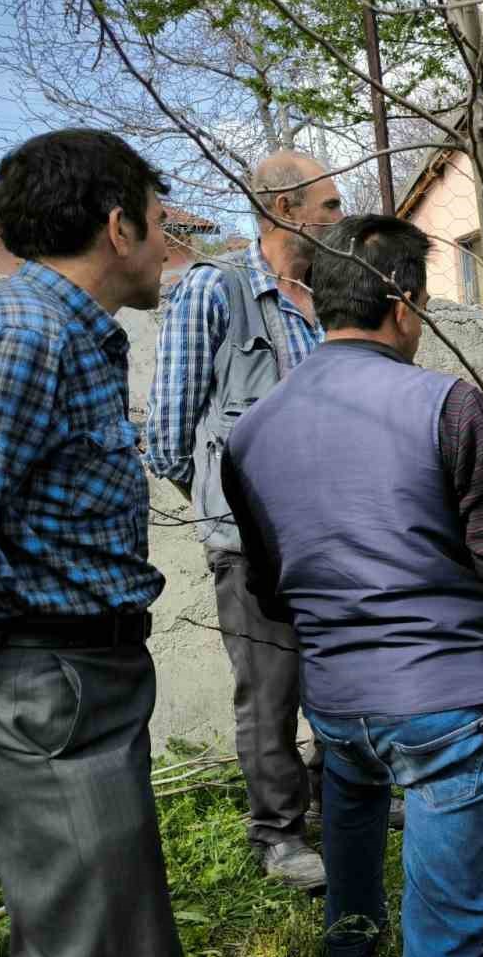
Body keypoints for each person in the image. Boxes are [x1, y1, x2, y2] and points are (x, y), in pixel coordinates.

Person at [220, 214, 483, 957]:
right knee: (448, 939)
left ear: (315, 304)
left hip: (337, 701)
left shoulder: (251, 433)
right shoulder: (448, 404)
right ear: (405, 303)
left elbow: (270, 589)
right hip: (442, 702)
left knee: (353, 804)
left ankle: (351, 954)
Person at [0, 129, 188, 957]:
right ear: (118, 228)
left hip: (81, 689)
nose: (168, 242)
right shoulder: (14, 333)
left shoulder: (72, 335)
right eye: (159, 220)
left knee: (97, 949)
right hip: (43, 694)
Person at [144, 149, 361, 891]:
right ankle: (277, 831)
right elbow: (169, 437)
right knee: (269, 690)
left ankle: (344, 802)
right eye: (330, 205)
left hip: (333, 536)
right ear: (284, 208)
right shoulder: (216, 291)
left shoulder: (327, 298)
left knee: (341, 673)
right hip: (251, 542)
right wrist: (226, 507)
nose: (341, 217)